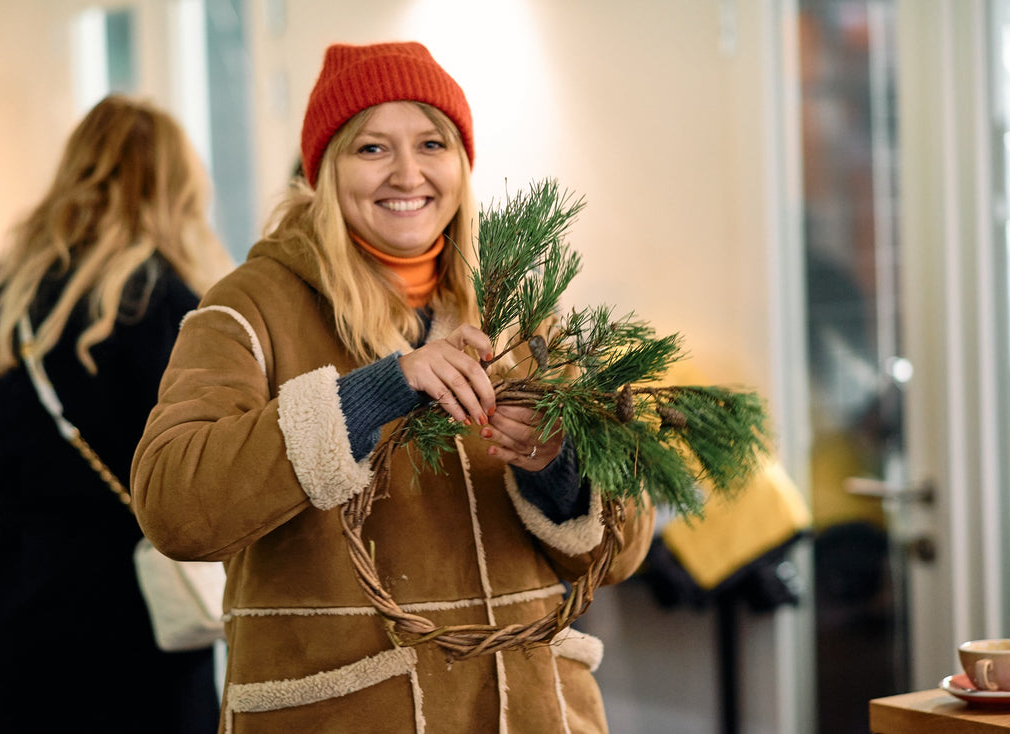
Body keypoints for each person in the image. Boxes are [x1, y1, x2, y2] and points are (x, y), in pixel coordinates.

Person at [131, 41, 656, 733]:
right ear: (323, 170)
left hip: (531, 710)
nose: (407, 173)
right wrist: (371, 394)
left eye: (431, 143)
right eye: (372, 148)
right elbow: (174, 504)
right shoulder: (249, 306)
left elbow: (622, 549)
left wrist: (554, 468)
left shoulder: (520, 310)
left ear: (461, 163)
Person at [0, 95, 234, 733]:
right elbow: (199, 478)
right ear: (175, 188)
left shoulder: (2, 301)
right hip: (127, 634)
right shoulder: (165, 307)